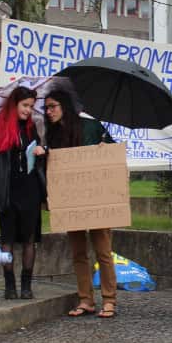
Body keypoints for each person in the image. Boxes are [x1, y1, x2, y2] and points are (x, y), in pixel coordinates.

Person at [42, 90, 118, 319]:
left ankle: (109, 300)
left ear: (64, 105)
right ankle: (86, 299)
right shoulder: (52, 133)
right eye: (46, 108)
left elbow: (112, 154)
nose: (49, 111)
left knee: (103, 251)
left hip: (96, 198)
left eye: (53, 106)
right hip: (70, 200)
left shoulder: (91, 126)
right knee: (78, 252)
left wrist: (106, 148)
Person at [0, 86, 45, 300]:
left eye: (31, 106)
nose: (29, 110)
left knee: (29, 239)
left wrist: (41, 152)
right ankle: (10, 285)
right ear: (14, 104)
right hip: (6, 190)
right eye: (25, 105)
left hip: (30, 189)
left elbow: (39, 161)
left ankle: (26, 285)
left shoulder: (31, 128)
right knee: (7, 239)